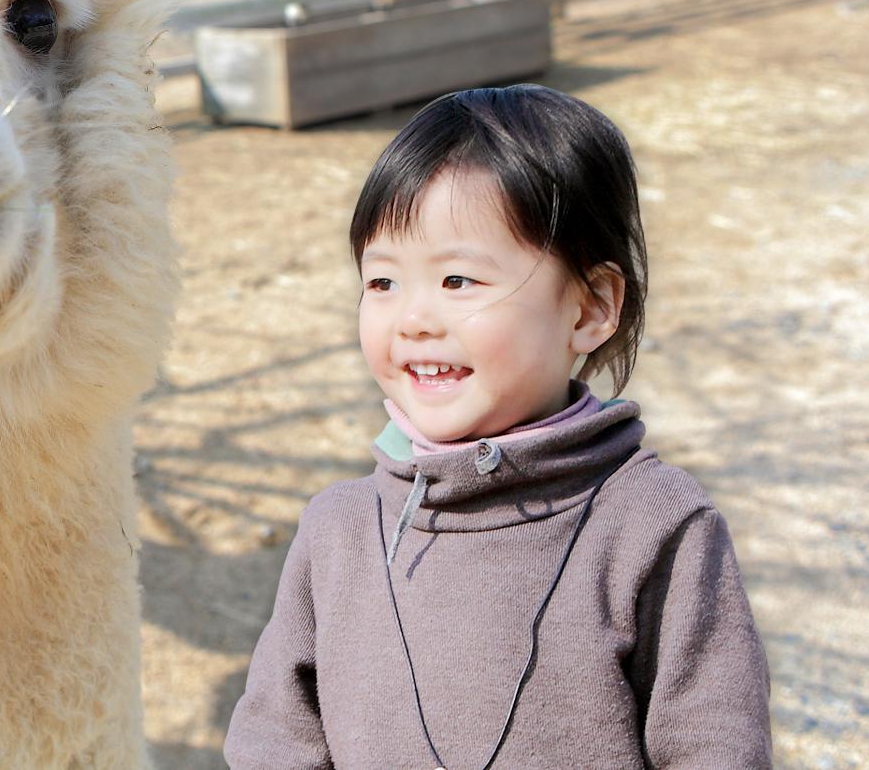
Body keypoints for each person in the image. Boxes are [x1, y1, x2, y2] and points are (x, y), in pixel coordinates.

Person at [225, 85, 771, 769]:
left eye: (457, 280)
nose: (414, 317)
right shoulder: (339, 530)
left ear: (590, 306)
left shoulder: (654, 525)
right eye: (383, 282)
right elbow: (274, 741)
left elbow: (714, 746)